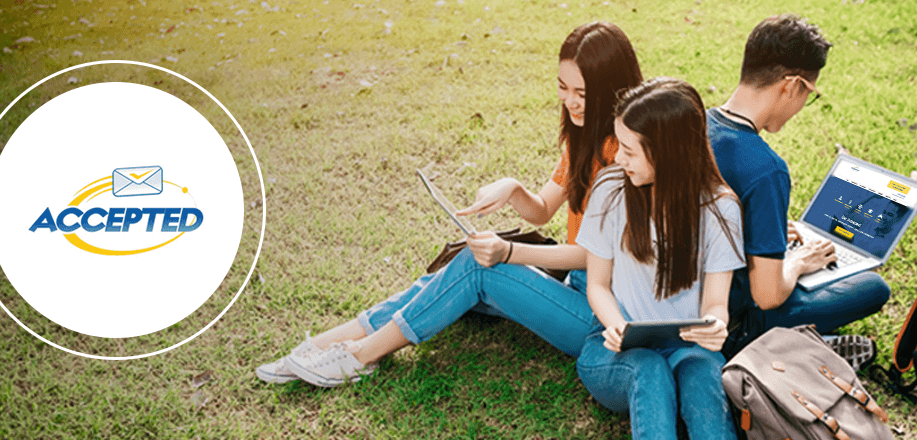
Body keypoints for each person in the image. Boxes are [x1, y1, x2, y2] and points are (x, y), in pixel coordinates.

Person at [256, 21, 644, 387]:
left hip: (600, 314)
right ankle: (323, 345)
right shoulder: (586, 135)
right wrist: (511, 189)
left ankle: (358, 356)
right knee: (441, 278)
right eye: (563, 88)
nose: (571, 103)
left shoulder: (627, 155)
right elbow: (543, 209)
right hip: (575, 289)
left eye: (582, 94)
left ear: (613, 92)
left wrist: (509, 252)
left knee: (479, 267)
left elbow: (594, 257)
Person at [706, 14, 890, 362]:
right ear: (790, 86)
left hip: (682, 302)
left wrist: (761, 233)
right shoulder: (766, 169)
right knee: (873, 287)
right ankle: (795, 350)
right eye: (809, 94)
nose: (803, 106)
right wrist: (798, 262)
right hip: (735, 325)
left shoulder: (693, 123)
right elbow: (767, 295)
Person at [575, 77, 744, 440]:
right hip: (615, 349)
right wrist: (617, 325)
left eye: (629, 150)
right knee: (648, 370)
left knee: (703, 381)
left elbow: (715, 301)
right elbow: (597, 286)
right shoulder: (610, 190)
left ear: (667, 153)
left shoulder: (719, 209)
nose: (619, 158)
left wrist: (715, 325)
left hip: (688, 346)